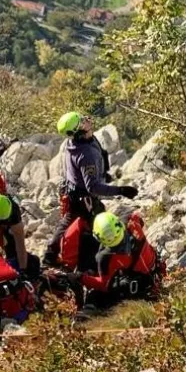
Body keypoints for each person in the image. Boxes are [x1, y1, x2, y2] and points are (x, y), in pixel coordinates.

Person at [44, 112, 138, 266]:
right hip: (83, 198)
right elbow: (93, 187)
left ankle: (51, 256)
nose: (86, 120)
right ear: (79, 131)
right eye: (82, 121)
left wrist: (102, 174)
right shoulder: (85, 154)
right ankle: (98, 264)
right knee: (102, 229)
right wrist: (121, 190)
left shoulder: (76, 142)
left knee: (68, 222)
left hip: (73, 191)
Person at [83, 211, 164, 305]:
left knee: (95, 296)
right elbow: (139, 219)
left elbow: (104, 285)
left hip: (142, 285)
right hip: (157, 268)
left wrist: (82, 278)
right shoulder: (132, 222)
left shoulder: (106, 257)